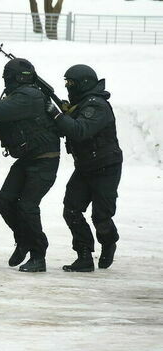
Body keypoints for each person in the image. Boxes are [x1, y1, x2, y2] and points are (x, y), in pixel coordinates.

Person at [0, 58, 60, 273]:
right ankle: (24, 240)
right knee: (4, 200)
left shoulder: (28, 96)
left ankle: (39, 255)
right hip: (29, 158)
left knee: (28, 206)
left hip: (44, 160)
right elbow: (1, 117)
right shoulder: (23, 95)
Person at [46, 64, 123, 272]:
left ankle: (108, 242)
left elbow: (80, 131)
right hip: (85, 167)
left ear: (83, 83)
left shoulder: (96, 105)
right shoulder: (80, 104)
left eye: (71, 83)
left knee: (101, 216)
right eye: (66, 83)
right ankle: (84, 255)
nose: (68, 87)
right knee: (71, 210)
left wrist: (58, 116)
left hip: (106, 167)